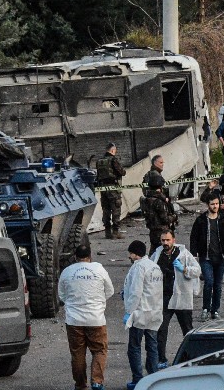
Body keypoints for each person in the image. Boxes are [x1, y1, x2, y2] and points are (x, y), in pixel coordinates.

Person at [58, 245, 114, 390]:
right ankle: (97, 381)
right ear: (90, 256)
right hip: (96, 319)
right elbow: (110, 291)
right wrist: (99, 301)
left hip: (74, 320)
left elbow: (61, 295)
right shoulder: (99, 269)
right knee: (100, 350)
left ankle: (81, 385)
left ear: (75, 257)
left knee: (77, 353)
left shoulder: (67, 272)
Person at [150, 230, 201, 370]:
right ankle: (161, 359)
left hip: (181, 296)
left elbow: (197, 270)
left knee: (187, 330)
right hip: (164, 297)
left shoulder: (183, 254)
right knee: (161, 329)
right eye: (163, 240)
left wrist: (184, 269)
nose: (165, 243)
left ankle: (192, 357)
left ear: (173, 240)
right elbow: (148, 269)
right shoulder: (157, 254)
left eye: (167, 240)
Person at [190, 193, 224, 321]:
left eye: (217, 204)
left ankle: (215, 310)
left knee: (217, 285)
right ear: (208, 205)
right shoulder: (201, 221)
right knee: (209, 282)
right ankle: (205, 308)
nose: (215, 206)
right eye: (212, 204)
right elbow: (193, 238)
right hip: (206, 258)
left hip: (220, 258)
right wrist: (194, 256)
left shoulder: (223, 220)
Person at [123, 241, 163, 390]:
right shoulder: (154, 266)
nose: (129, 255)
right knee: (152, 346)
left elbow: (135, 292)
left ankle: (138, 380)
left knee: (134, 347)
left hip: (140, 313)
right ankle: (154, 378)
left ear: (135, 253)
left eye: (130, 253)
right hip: (154, 313)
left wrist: (129, 312)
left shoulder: (138, 267)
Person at [96, 143, 127, 239]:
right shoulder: (113, 160)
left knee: (106, 210)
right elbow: (122, 172)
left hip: (103, 189)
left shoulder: (99, 161)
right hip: (113, 188)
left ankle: (107, 232)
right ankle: (115, 232)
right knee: (116, 209)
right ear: (113, 150)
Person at [142, 175, 178, 255]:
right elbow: (165, 219)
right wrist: (174, 217)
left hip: (152, 230)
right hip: (162, 232)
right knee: (165, 253)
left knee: (154, 253)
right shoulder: (159, 201)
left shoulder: (146, 199)